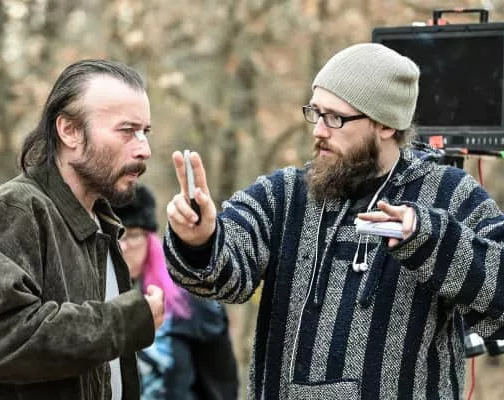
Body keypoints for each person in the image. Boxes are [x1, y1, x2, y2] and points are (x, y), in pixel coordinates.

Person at [163, 42, 504, 399]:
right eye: (316, 113)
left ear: (385, 125)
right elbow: (222, 278)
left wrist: (430, 238)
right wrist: (200, 240)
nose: (319, 131)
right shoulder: (285, 194)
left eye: (335, 118)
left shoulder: (450, 195)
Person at [0, 60, 165, 400]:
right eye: (126, 130)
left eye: (145, 132)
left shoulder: (102, 225)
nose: (143, 149)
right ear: (70, 131)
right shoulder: (15, 211)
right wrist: (123, 322)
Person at [113, 184, 239, 400]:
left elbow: (220, 381)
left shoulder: (189, 299)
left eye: (132, 235)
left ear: (149, 239)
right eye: (117, 236)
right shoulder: (89, 295)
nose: (123, 246)